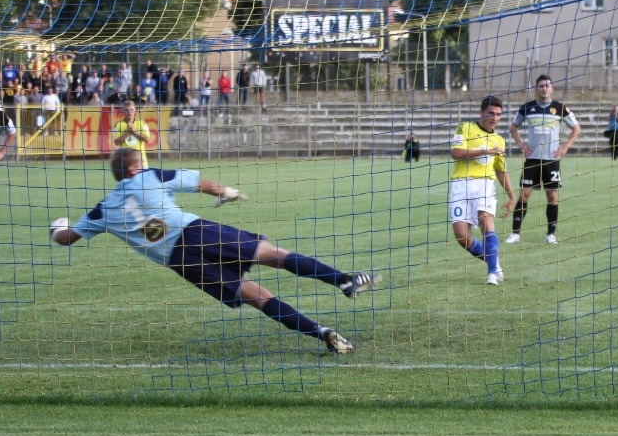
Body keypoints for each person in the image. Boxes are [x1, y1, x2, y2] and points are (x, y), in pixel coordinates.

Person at [49, 148, 381, 354]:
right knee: (275, 255)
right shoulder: (149, 176)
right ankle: (343, 280)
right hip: (198, 231)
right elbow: (201, 184)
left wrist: (58, 226)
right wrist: (227, 192)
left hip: (179, 260)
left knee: (257, 296)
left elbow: (67, 238)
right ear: (134, 169)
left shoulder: (103, 211)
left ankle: (323, 333)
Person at [505, 74, 581, 245]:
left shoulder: (560, 108)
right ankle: (515, 233)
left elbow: (576, 128)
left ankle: (551, 234)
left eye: (547, 85)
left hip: (551, 160)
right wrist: (521, 145)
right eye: (541, 86)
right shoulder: (527, 108)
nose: (544, 88)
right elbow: (513, 127)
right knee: (524, 195)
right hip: (532, 159)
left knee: (552, 196)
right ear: (536, 89)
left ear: (552, 89)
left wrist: (565, 146)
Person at [449, 95, 516, 286]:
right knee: (462, 237)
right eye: (491, 114)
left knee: (486, 221)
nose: (495, 118)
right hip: (461, 185)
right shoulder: (465, 127)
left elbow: (501, 170)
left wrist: (511, 196)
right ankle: (492, 261)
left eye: (498, 115)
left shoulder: (499, 141)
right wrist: (485, 151)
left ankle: (492, 274)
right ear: (482, 112)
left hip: (485, 184)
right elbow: (456, 153)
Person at [112, 100, 152, 167]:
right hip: (126, 163)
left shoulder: (142, 123)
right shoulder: (118, 125)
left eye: (131, 110)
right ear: (122, 111)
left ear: (135, 110)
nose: (129, 112)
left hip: (141, 162)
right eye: (126, 110)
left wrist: (135, 132)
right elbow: (116, 142)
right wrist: (127, 132)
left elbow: (147, 139)